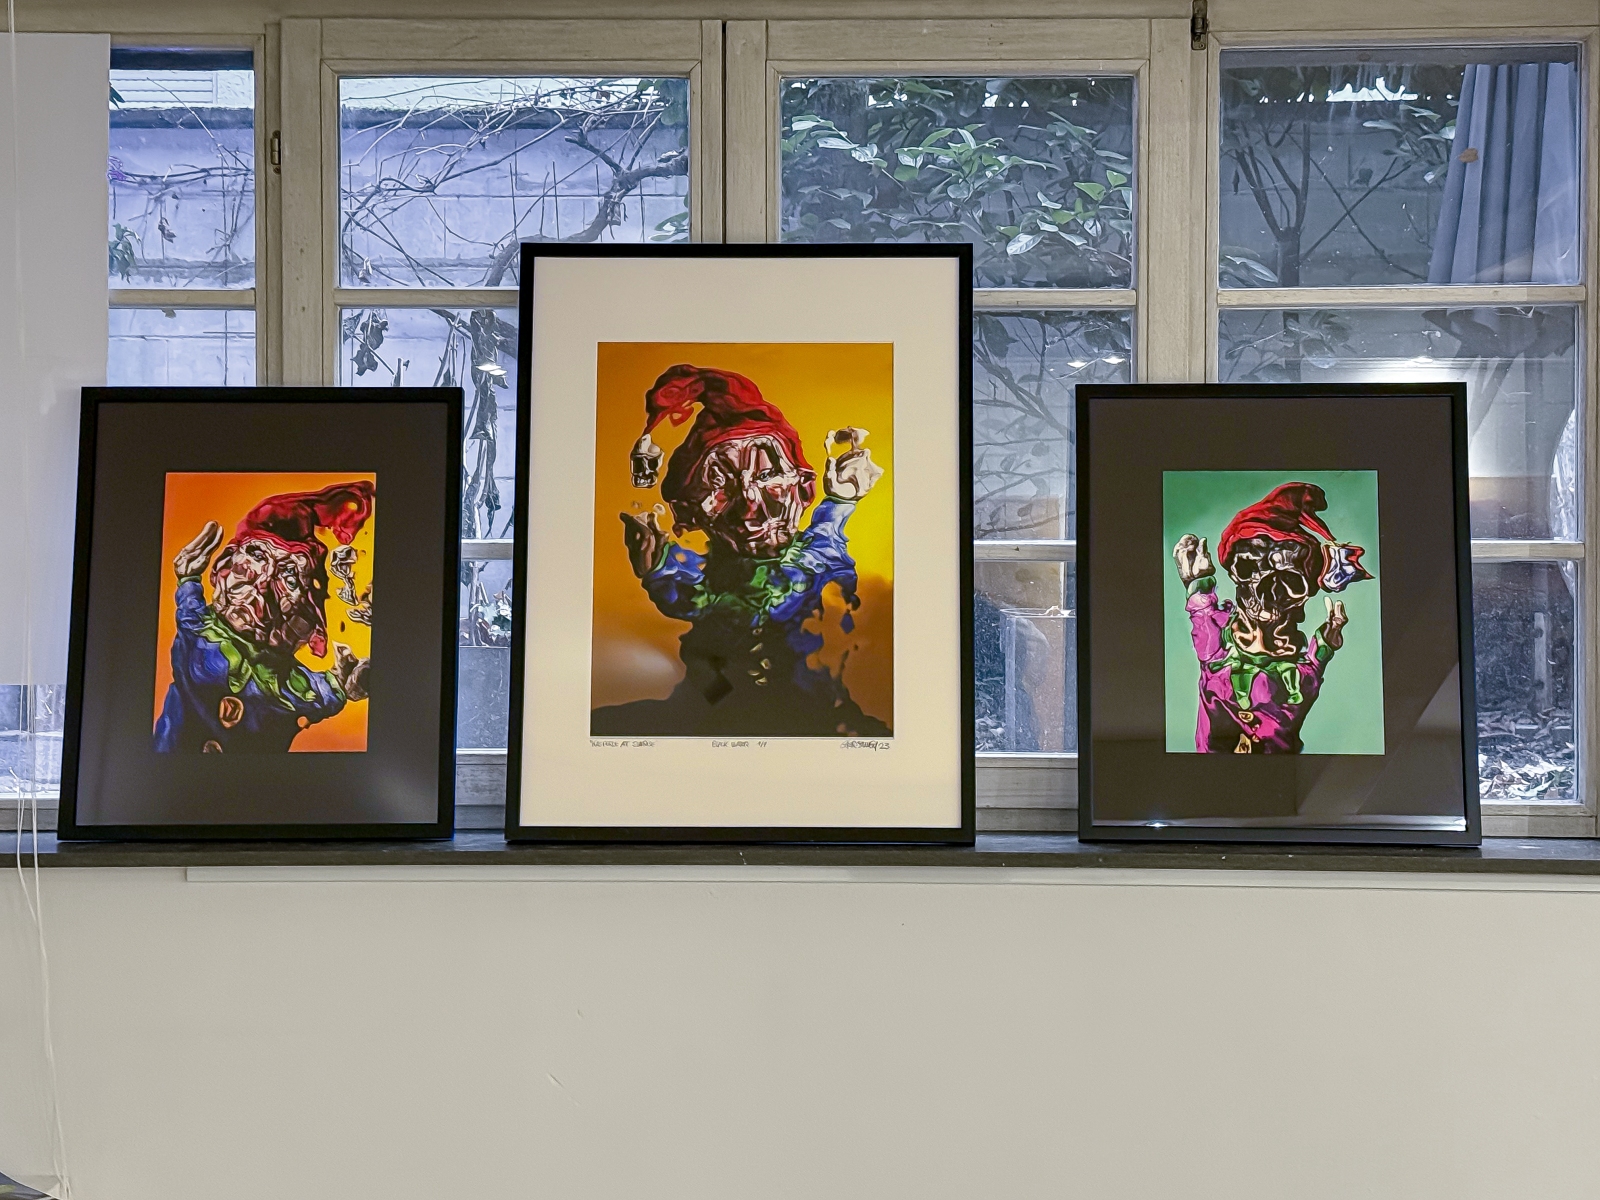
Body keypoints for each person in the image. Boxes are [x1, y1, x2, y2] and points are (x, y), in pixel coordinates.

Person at [593, 364, 889, 737]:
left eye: (766, 476)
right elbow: (693, 601)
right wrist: (658, 566)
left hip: (817, 715)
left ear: (802, 487)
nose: (750, 506)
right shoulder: (718, 583)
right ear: (692, 508)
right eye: (722, 484)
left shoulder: (814, 560)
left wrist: (842, 502)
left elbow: (823, 558)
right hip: (722, 716)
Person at [153, 482, 374, 752]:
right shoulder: (200, 630)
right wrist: (187, 578)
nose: (263, 582)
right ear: (223, 565)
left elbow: (320, 693)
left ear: (306, 624)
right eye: (257, 556)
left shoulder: (289, 681)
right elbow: (190, 616)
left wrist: (346, 683)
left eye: (289, 577)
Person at [1172, 482, 1372, 754]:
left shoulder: (1295, 677)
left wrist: (1326, 642)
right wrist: (1197, 583)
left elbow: (1311, 673)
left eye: (1288, 580)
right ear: (1236, 575)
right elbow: (1204, 622)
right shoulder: (1221, 647)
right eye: (1248, 568)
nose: (1265, 594)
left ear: (1304, 594)